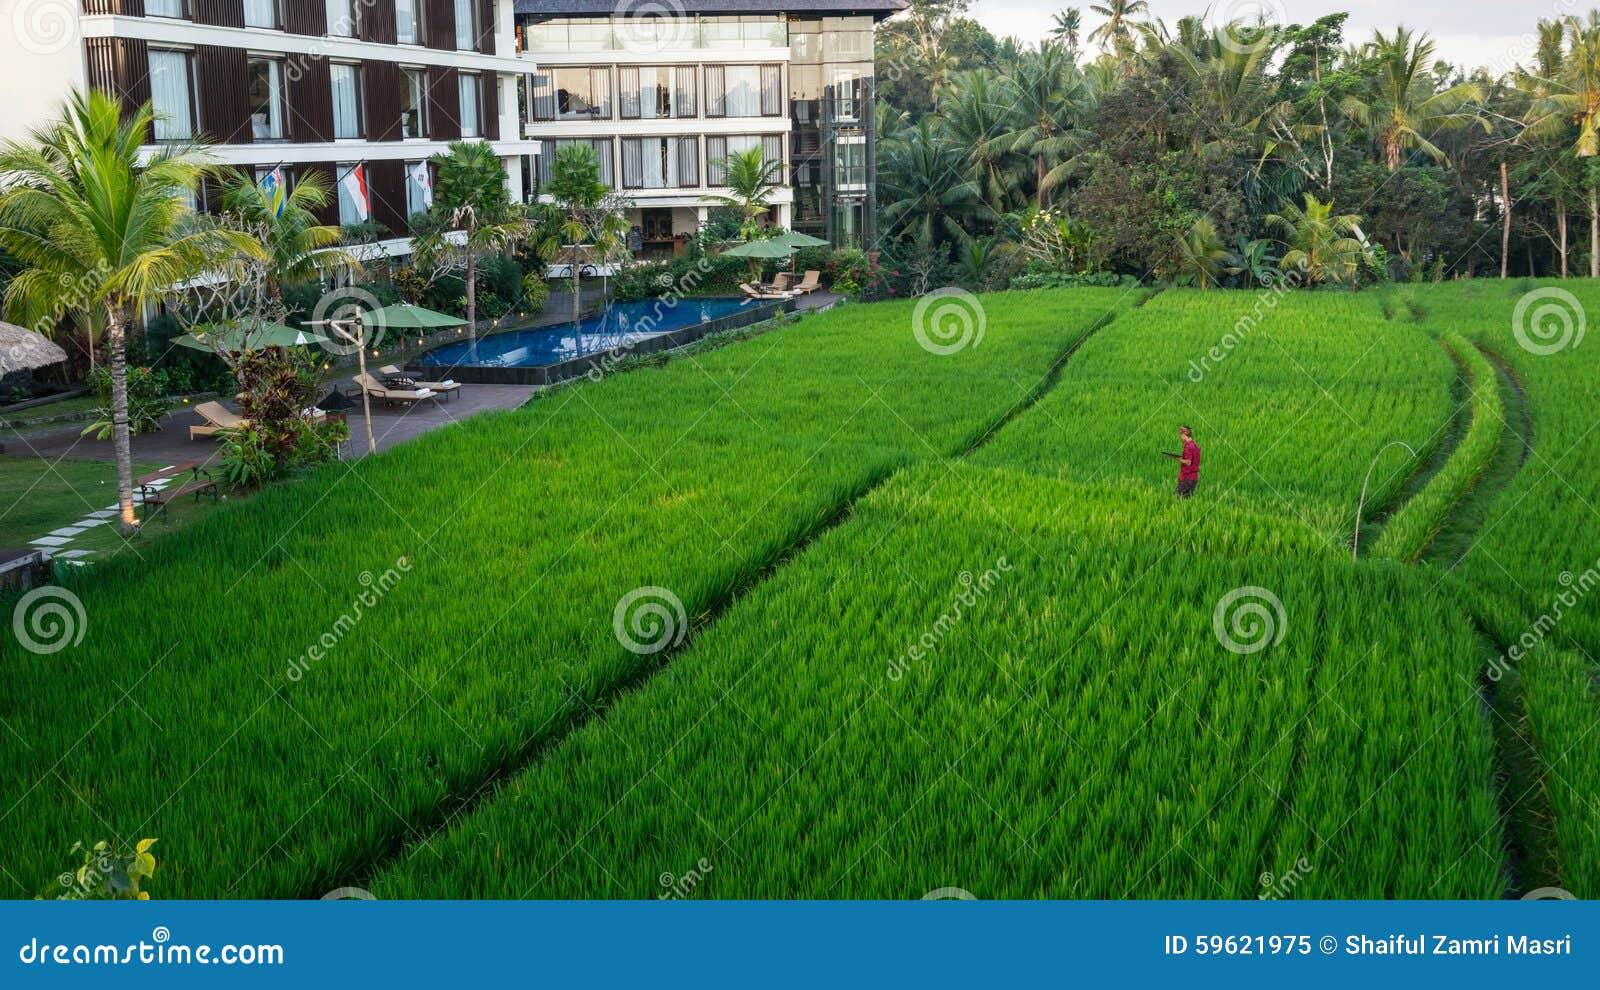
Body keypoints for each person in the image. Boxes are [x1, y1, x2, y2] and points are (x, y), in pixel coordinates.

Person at [1162, 426, 1202, 498]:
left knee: (1176, 498)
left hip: (1186, 477)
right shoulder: (1195, 446)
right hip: (1194, 478)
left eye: (1180, 435)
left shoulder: (1188, 446)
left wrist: (1176, 458)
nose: (1180, 437)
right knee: (1186, 500)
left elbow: (1188, 462)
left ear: (1183, 435)